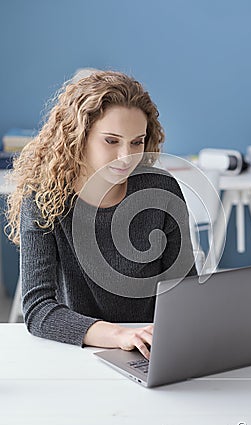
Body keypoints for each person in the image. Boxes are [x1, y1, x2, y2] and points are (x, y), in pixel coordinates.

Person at [6, 70, 197, 359]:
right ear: (77, 137)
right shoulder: (43, 199)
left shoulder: (161, 189)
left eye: (137, 142)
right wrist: (120, 335)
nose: (126, 157)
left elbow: (184, 287)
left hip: (153, 348)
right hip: (79, 350)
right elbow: (38, 309)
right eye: (111, 141)